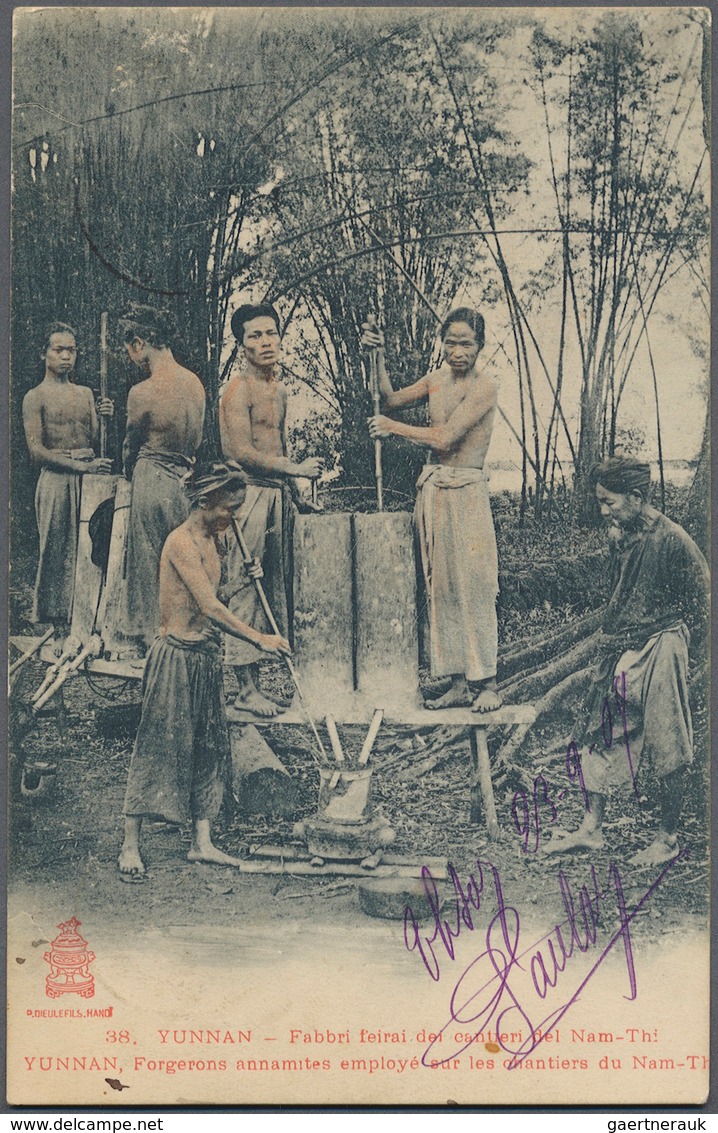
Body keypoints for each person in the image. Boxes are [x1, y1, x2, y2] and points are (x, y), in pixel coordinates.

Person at [118, 463, 291, 882]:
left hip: (205, 657)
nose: (233, 518)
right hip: (174, 656)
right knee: (158, 746)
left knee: (209, 748)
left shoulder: (215, 542)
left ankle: (202, 842)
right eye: (229, 509)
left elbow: (213, 599)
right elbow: (210, 608)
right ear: (204, 501)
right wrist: (259, 638)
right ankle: (129, 844)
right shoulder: (180, 542)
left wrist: (242, 584)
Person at [546, 456, 709, 867]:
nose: (604, 511)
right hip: (621, 644)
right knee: (595, 728)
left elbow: (704, 597)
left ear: (637, 497)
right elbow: (616, 594)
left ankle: (667, 838)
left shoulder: (673, 539)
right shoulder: (619, 534)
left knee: (668, 738)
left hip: (662, 642)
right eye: (600, 502)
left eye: (611, 502)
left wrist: (685, 646)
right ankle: (591, 828)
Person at [362, 308, 501, 712]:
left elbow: (445, 438)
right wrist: (379, 354)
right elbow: (389, 400)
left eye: (467, 343)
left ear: (480, 347)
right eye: (451, 342)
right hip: (435, 491)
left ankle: (487, 683)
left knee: (474, 584)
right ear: (442, 342)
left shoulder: (484, 387)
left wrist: (393, 429)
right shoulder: (435, 380)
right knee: (441, 588)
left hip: (467, 492)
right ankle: (457, 683)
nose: (458, 351)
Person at [219, 302, 321, 719]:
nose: (266, 343)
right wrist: (295, 469)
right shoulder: (237, 390)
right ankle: (245, 689)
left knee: (275, 587)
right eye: (255, 336)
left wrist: (297, 492)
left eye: (271, 333)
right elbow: (240, 452)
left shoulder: (278, 390)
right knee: (245, 584)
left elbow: (279, 445)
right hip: (247, 497)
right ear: (241, 345)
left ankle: (263, 683)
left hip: (278, 495)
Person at [118, 305, 206, 652]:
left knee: (149, 562)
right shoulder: (195, 383)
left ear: (140, 343)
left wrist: (128, 472)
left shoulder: (142, 391)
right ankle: (182, 633)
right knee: (182, 561)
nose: (134, 361)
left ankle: (152, 641)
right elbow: (195, 440)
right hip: (185, 480)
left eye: (132, 353)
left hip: (152, 478)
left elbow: (130, 444)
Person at [22, 322, 114, 645]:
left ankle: (87, 622)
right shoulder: (35, 397)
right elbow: (36, 451)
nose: (65, 357)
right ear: (44, 354)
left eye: (71, 350)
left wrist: (105, 418)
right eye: (58, 350)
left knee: (90, 548)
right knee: (57, 549)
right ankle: (58, 626)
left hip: (89, 478)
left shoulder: (85, 393)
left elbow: (94, 440)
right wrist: (76, 465)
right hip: (57, 480)